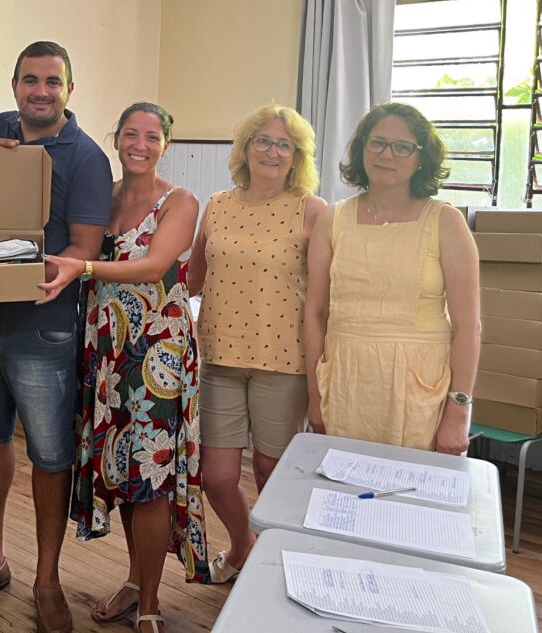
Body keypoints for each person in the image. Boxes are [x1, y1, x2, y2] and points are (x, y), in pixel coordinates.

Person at [0, 41, 112, 633]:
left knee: (49, 455)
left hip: (43, 327)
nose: (40, 91)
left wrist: (36, 271)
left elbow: (84, 247)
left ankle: (47, 580)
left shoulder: (87, 157)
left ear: (69, 89)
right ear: (14, 84)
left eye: (52, 81)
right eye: (30, 80)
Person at [42, 102, 206, 633]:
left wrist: (84, 266)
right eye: (130, 134)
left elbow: (154, 266)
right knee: (126, 474)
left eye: (151, 136)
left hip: (158, 354)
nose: (140, 144)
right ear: (116, 139)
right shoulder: (103, 195)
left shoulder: (180, 201)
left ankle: (151, 601)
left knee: (151, 476)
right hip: (106, 350)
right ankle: (135, 581)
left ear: (166, 144)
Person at [185, 105, 326, 583]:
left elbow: (323, 299)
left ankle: (277, 567)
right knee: (216, 476)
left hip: (284, 361)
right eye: (262, 140)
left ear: (297, 156)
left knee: (271, 472)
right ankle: (244, 543)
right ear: (245, 149)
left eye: (285, 144)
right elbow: (192, 279)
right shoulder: (217, 204)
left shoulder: (312, 209)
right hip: (219, 356)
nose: (272, 151)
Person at [304, 102, 480, 454]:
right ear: (362, 147)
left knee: (412, 487)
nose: (387, 155)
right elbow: (315, 313)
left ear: (421, 158)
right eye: (378, 142)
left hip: (419, 391)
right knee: (341, 483)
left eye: (402, 147)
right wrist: (314, 394)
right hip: (345, 383)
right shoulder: (332, 219)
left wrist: (459, 411)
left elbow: (468, 328)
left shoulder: (446, 222)